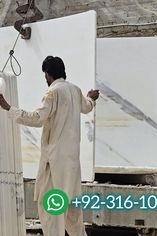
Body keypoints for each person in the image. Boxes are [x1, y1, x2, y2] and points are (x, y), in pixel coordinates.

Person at [0, 56, 99, 236]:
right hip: (71, 166)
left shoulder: (52, 93)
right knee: (73, 216)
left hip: (54, 166)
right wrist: (91, 98)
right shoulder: (75, 90)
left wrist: (8, 108)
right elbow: (87, 106)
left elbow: (37, 118)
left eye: (45, 75)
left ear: (48, 74)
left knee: (50, 212)